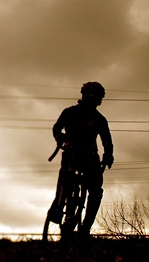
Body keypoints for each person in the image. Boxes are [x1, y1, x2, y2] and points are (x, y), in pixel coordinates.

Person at [51, 82, 114, 237]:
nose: (95, 101)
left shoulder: (100, 119)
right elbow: (56, 128)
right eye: (93, 97)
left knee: (96, 190)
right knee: (65, 178)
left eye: (98, 99)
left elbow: (107, 140)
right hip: (72, 153)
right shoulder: (69, 113)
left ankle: (85, 228)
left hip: (90, 156)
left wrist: (108, 155)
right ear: (84, 96)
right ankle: (59, 207)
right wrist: (60, 137)